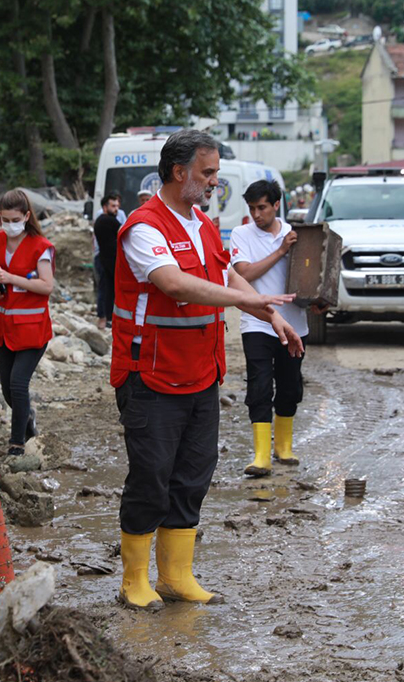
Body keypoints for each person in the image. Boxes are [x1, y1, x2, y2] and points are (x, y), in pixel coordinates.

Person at [110, 130, 303, 611]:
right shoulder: (144, 227)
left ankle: (175, 574)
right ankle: (135, 578)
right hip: (151, 375)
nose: (215, 182)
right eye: (209, 173)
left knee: (193, 475)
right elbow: (175, 285)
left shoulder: (201, 222)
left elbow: (225, 273)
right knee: (151, 476)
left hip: (200, 373)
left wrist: (271, 315)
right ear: (180, 174)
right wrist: (247, 299)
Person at [230, 179, 314, 477]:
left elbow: (312, 273)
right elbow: (244, 273)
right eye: (252, 208)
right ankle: (261, 455)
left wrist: (319, 298)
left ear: (276, 205)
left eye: (262, 207)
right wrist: (280, 251)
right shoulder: (241, 234)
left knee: (290, 387)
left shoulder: (298, 234)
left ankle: (284, 448)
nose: (256, 214)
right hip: (257, 322)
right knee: (259, 386)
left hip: (295, 323)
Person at [0, 189, 56, 456]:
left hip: (32, 331)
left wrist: (11, 278)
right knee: (8, 390)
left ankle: (16, 443)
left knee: (19, 384)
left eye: (14, 219)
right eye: (4, 219)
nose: (8, 225)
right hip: (1, 328)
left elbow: (46, 286)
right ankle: (29, 425)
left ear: (26, 216)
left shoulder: (40, 247)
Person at [92, 193, 126, 329]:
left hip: (107, 261)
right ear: (105, 207)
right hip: (108, 262)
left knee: (107, 290)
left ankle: (107, 318)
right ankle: (108, 318)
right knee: (108, 290)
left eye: (117, 206)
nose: (116, 209)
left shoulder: (102, 220)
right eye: (113, 206)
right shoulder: (108, 221)